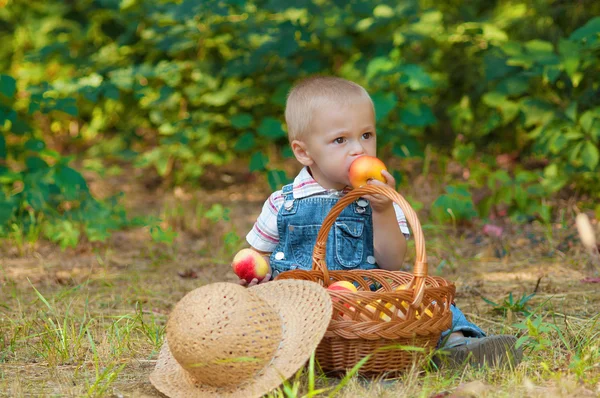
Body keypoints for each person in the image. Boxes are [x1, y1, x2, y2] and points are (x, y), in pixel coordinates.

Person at [238, 75, 522, 368]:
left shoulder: (378, 199)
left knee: (421, 300)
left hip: (368, 310)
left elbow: (392, 263)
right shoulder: (281, 203)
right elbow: (257, 257)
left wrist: (384, 210)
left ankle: (459, 344)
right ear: (303, 152)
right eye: (340, 140)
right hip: (304, 306)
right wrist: (257, 278)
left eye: (366, 135)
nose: (359, 149)